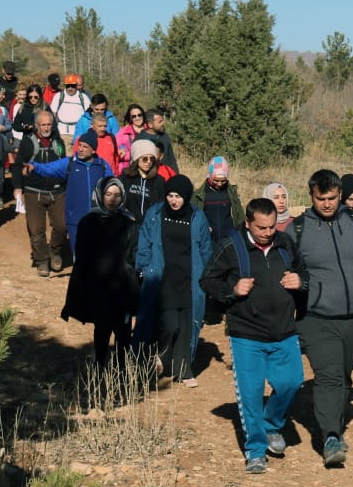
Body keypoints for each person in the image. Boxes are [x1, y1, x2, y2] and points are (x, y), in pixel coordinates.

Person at [200, 198, 306, 474]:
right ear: (248, 223)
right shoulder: (231, 246)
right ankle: (256, 450)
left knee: (292, 383)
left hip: (284, 331)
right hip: (246, 333)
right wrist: (232, 289)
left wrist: (300, 282)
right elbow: (207, 280)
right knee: (250, 394)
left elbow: (304, 272)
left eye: (271, 226)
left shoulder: (285, 244)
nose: (267, 232)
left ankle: (272, 426)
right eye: (261, 227)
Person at [293, 169, 353, 467]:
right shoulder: (297, 229)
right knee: (329, 375)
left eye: (332, 198)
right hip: (316, 316)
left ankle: (333, 421)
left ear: (340, 194)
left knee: (344, 374)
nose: (327, 204)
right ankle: (331, 436)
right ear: (311, 196)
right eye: (321, 198)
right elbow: (281, 269)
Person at [134, 175, 212, 387]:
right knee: (169, 325)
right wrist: (142, 268)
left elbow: (206, 249)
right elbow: (144, 243)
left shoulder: (198, 218)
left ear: (186, 197)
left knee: (187, 326)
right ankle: (162, 356)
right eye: (170, 195)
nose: (173, 200)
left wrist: (208, 276)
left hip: (190, 277)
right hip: (162, 276)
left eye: (178, 196)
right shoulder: (155, 214)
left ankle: (184, 371)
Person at [61, 177, 139, 367]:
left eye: (117, 195)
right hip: (99, 284)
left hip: (123, 285)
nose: (112, 199)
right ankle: (100, 362)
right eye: (108, 194)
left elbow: (134, 254)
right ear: (99, 194)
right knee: (102, 327)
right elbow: (82, 255)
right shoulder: (88, 222)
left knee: (123, 328)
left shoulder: (129, 223)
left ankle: (122, 367)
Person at [28, 133, 112, 263]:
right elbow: (49, 169)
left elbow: (112, 186)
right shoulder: (69, 164)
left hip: (98, 219)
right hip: (75, 220)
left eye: (85, 146)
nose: (80, 149)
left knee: (97, 253)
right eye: (79, 145)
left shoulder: (102, 166)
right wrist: (34, 166)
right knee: (79, 256)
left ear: (94, 150)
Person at [14, 109, 69, 276]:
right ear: (36, 125)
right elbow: (18, 166)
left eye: (49, 124)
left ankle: (55, 252)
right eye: (43, 124)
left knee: (61, 226)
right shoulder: (27, 142)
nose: (46, 128)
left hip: (57, 191)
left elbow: (63, 165)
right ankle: (42, 261)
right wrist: (18, 187)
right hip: (33, 191)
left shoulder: (58, 142)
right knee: (36, 229)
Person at [193, 156, 242, 249]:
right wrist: (204, 226)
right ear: (210, 176)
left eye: (223, 181)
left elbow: (239, 215)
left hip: (228, 238)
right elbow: (194, 215)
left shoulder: (231, 192)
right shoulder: (200, 194)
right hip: (208, 238)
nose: (219, 184)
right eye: (216, 180)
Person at [120, 139, 166, 224]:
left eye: (152, 159)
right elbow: (117, 202)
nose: (148, 162)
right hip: (128, 227)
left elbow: (162, 204)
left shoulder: (159, 181)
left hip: (150, 228)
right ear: (137, 159)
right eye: (145, 158)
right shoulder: (125, 178)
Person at [50, 73, 90, 143]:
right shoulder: (58, 96)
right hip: (62, 133)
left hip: (79, 133)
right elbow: (53, 114)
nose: (70, 88)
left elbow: (89, 115)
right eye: (68, 86)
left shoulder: (83, 97)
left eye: (73, 86)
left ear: (76, 85)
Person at [144, 106, 179, 174]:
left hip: (166, 177)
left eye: (163, 121)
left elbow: (171, 160)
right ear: (150, 124)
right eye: (160, 122)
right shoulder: (141, 140)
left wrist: (176, 177)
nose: (163, 124)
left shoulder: (165, 137)